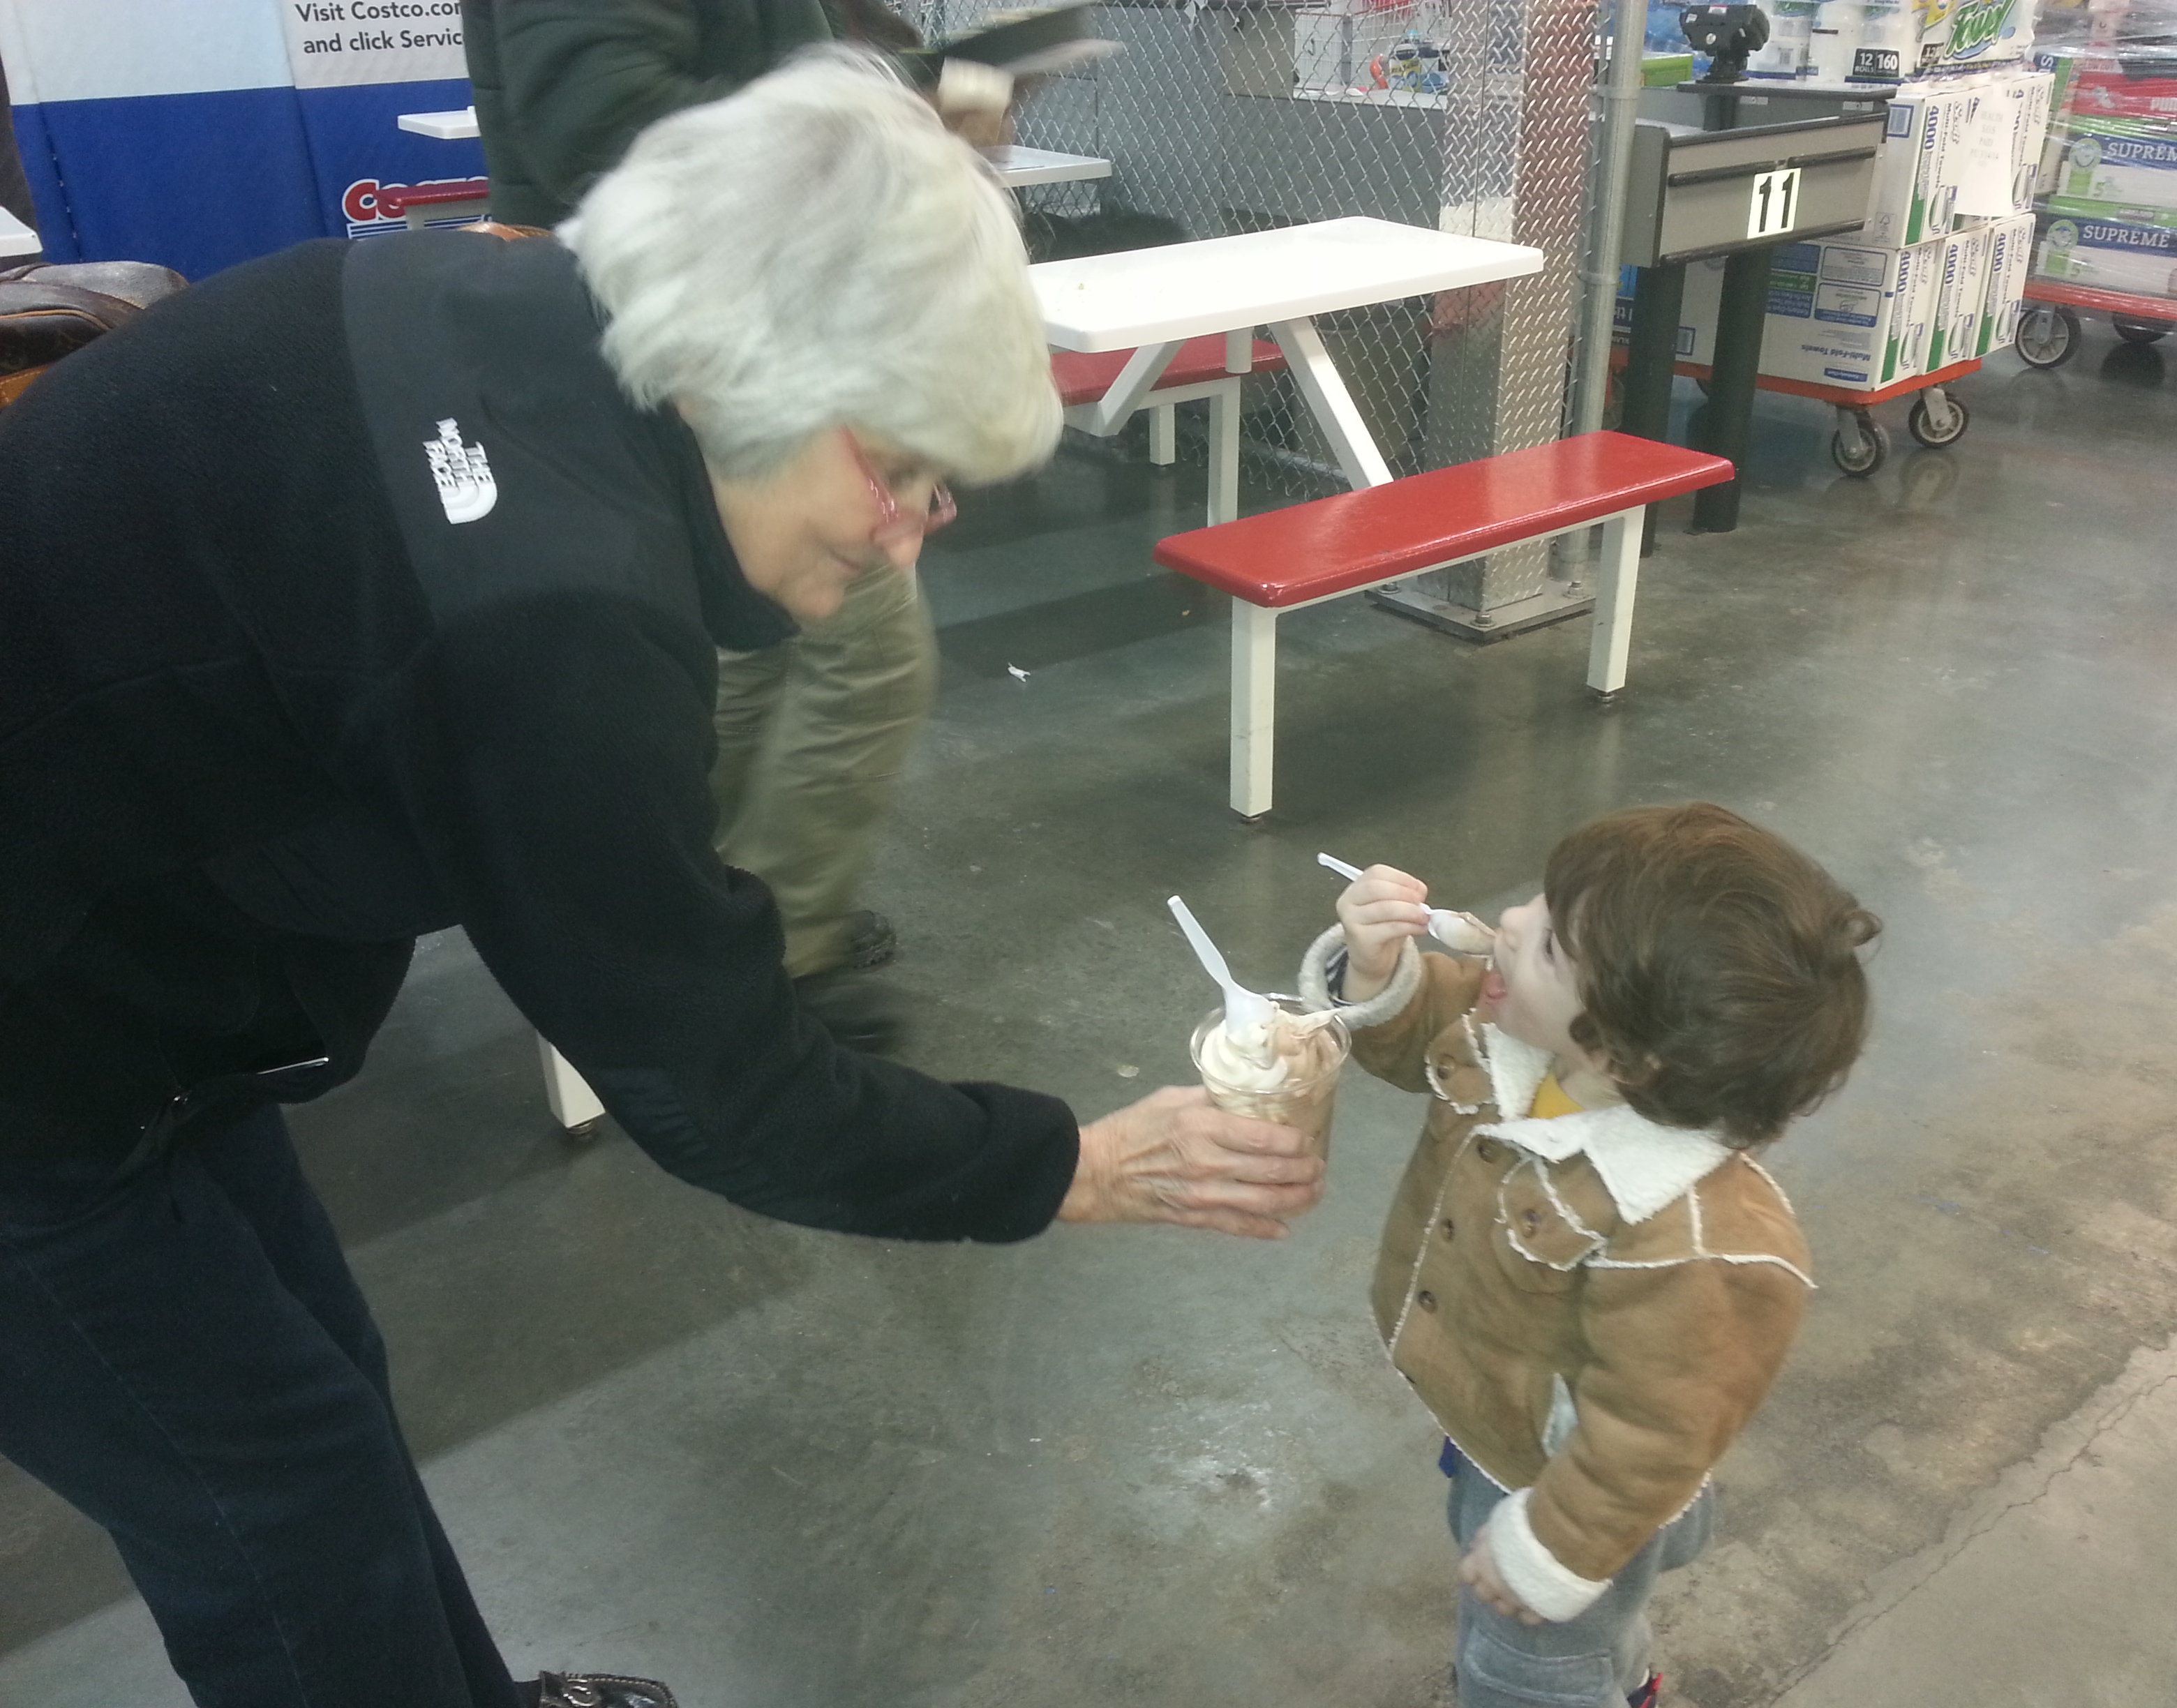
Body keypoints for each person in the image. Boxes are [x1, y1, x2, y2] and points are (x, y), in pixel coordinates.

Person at [0, 54, 1319, 1708]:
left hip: (135, 975)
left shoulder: (525, 308)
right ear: (753, 367)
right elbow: (717, 1087)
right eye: (899, 470)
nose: (909, 535)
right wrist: (1067, 1164)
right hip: (36, 1052)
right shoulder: (554, 606)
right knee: (275, 1501)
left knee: (322, 1382)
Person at [465, 0, 1005, 1050]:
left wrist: (912, 75)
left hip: (721, 308)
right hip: (681, 317)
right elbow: (601, 126)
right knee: (865, 657)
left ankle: (707, 917)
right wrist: (901, 106)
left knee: (754, 648)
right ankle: (770, 958)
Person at [1299, 804, 1877, 1708]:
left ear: (1626, 1057)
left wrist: (1553, 1549)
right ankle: (1625, 1677)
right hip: (1506, 1411)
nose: (1510, 922)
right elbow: (1430, 1032)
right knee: (1586, 1629)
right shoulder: (1537, 1042)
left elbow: (1658, 1429)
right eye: (1541, 903)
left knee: (1529, 1666)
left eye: (1549, 947)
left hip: (1570, 1482)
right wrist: (1377, 974)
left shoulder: (1688, 1241)